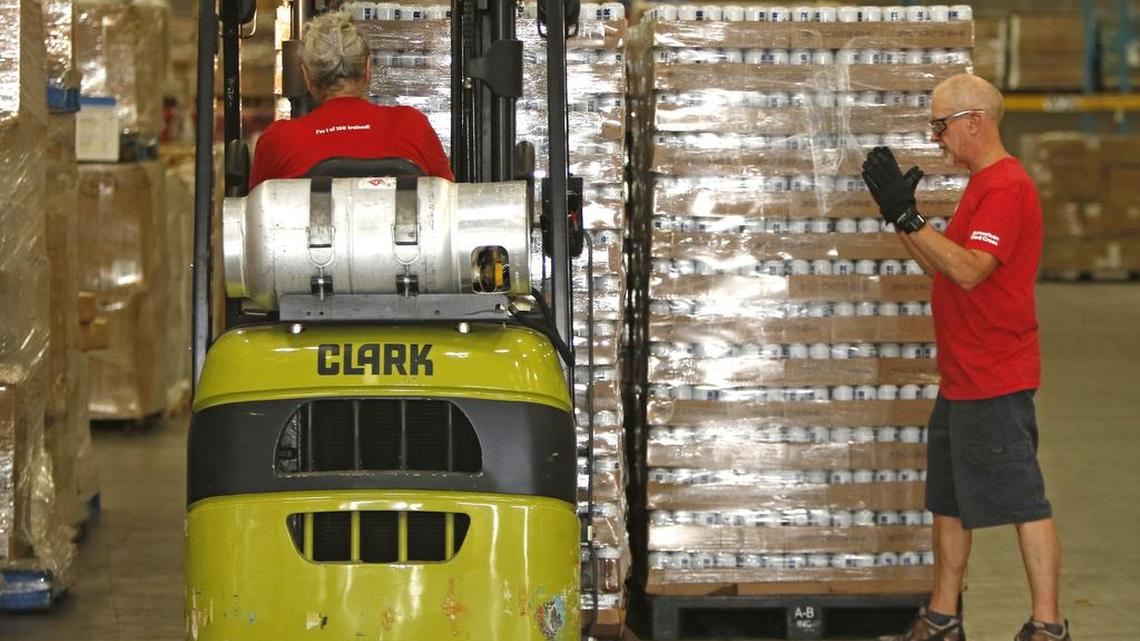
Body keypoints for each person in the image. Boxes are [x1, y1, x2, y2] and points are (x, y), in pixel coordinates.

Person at [861, 74, 1070, 641]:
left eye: (941, 125)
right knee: (948, 504)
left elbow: (972, 271)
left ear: (974, 120)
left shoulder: (1006, 188)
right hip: (961, 378)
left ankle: (1048, 626)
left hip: (994, 377)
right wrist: (897, 214)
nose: (936, 138)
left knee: (1025, 500)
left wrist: (911, 218)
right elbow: (942, 265)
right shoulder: (980, 186)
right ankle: (942, 618)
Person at [248, 11, 454, 189]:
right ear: (367, 69)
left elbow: (256, 222)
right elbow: (447, 205)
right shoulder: (412, 125)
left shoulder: (279, 139)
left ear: (307, 76)